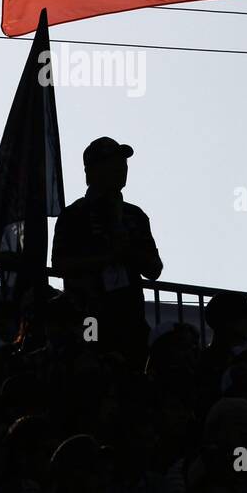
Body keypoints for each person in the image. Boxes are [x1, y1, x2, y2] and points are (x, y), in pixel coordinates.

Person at [51, 137, 163, 368]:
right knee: (90, 366)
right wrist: (106, 258)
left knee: (134, 371)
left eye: (123, 163)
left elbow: (154, 269)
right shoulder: (74, 215)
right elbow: (60, 264)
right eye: (113, 163)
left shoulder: (134, 215)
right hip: (88, 315)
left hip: (129, 317)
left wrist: (128, 252)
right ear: (91, 171)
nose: (122, 169)